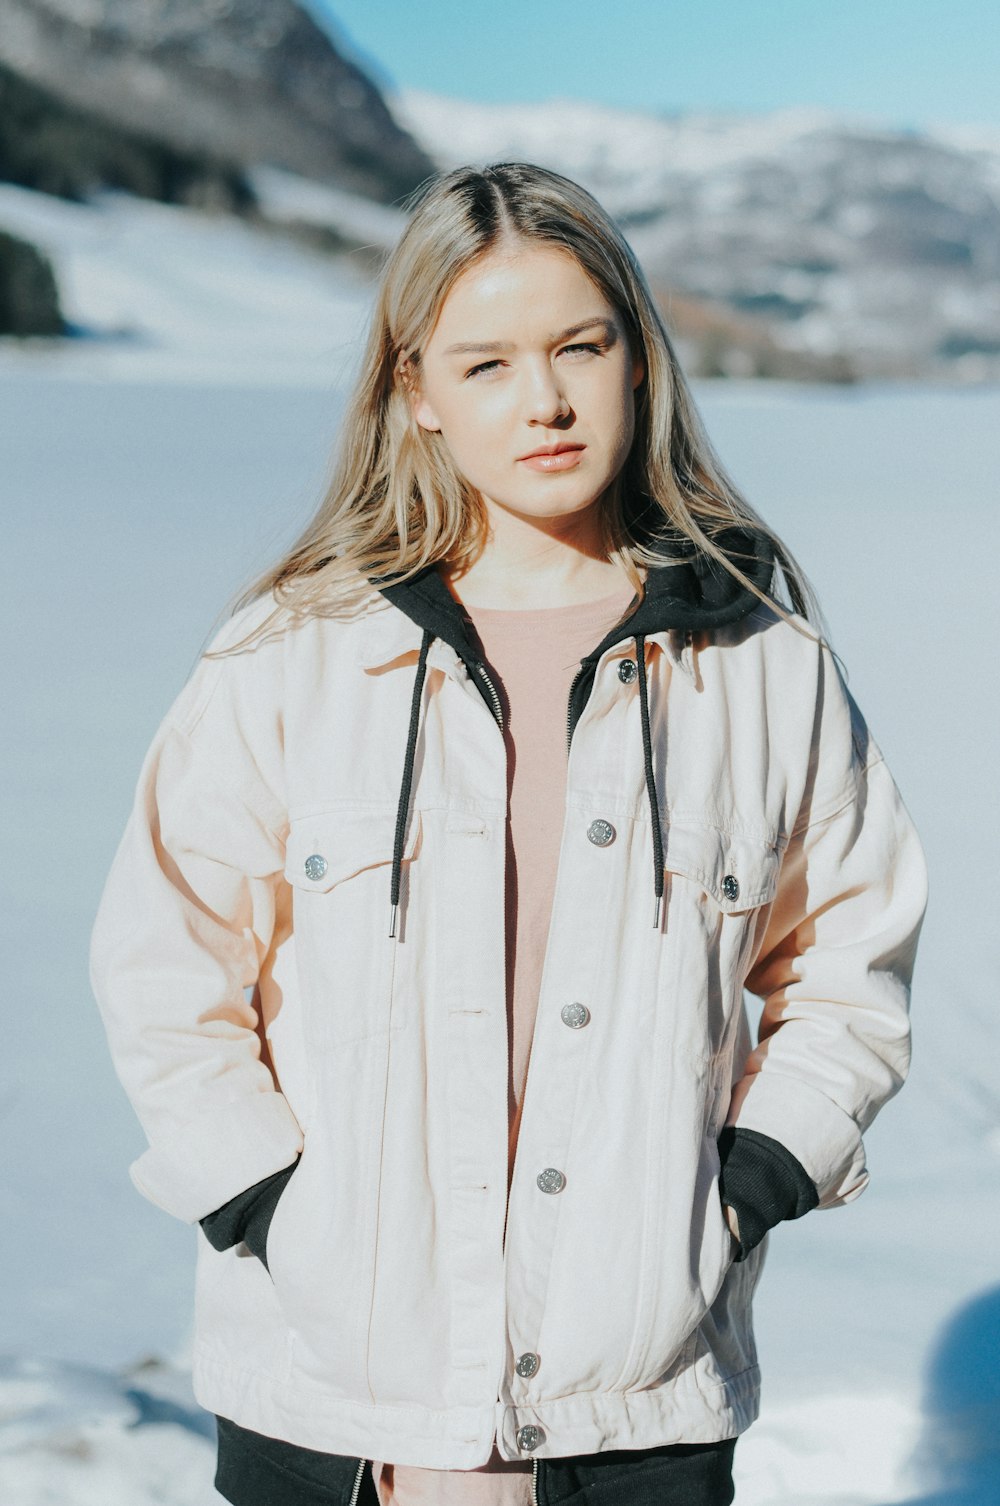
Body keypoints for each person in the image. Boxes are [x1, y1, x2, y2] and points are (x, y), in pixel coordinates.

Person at [89, 161, 928, 1506]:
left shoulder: (758, 662)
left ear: (637, 361)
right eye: (486, 363)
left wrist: (746, 1185)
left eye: (578, 347)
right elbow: (164, 961)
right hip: (333, 1392)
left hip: (639, 1403)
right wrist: (270, 1207)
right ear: (415, 390)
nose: (542, 400)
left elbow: (850, 960)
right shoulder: (293, 655)